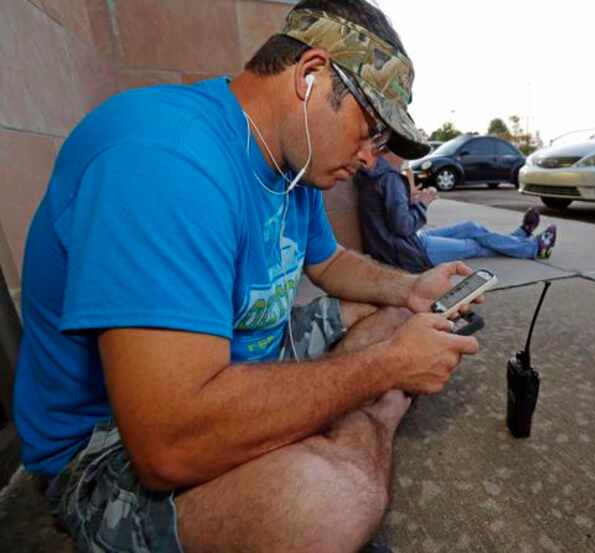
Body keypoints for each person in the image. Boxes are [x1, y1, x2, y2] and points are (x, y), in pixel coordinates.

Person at [12, 2, 482, 552]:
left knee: (411, 315)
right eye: (370, 131)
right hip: (108, 442)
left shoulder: (294, 160)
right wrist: (382, 372)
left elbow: (329, 263)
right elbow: (169, 446)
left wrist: (411, 288)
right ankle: (358, 424)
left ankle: (323, 419)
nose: (371, 160)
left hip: (243, 356)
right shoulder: (163, 160)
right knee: (330, 502)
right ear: (310, 77)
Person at [357, 152, 558, 272]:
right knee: (474, 245)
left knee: (470, 227)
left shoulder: (378, 175)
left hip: (406, 243)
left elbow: (390, 218)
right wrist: (423, 204)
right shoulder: (389, 178)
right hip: (410, 252)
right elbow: (403, 226)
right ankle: (531, 248)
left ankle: (518, 238)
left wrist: (409, 201)